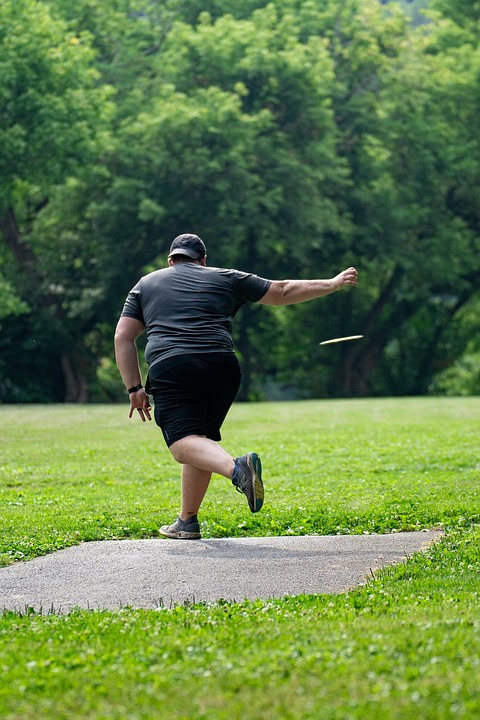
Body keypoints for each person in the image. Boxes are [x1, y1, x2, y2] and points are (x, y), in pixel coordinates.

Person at [114, 233, 358, 539]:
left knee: (182, 445)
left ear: (170, 260)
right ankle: (187, 521)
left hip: (174, 366)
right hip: (223, 366)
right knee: (198, 441)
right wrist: (332, 283)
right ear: (203, 260)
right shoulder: (227, 277)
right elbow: (282, 291)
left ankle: (237, 469)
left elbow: (124, 337)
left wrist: (134, 388)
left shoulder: (145, 284)